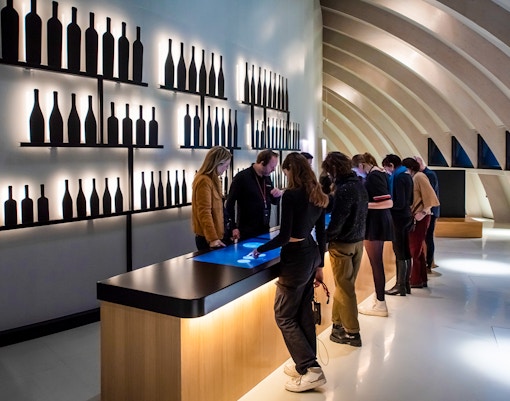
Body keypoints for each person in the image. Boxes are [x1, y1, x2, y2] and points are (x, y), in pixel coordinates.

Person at [250, 152, 329, 392]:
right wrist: (320, 265)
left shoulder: (292, 195)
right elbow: (322, 234)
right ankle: (306, 364)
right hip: (311, 254)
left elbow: (284, 237)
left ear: (291, 171)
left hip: (295, 259)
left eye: (285, 173)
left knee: (283, 315)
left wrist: (260, 249)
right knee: (303, 312)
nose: (285, 178)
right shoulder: (318, 194)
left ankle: (310, 368)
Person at [322, 152, 368, 346]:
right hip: (358, 243)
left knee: (345, 288)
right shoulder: (359, 185)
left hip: (342, 245)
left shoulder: (344, 189)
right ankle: (337, 325)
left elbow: (338, 220)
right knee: (345, 287)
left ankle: (352, 333)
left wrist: (324, 237)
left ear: (333, 169)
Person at [352, 153, 393, 317]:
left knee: (376, 263)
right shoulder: (379, 173)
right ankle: (379, 299)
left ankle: (381, 303)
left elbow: (387, 202)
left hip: (376, 224)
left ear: (361, 166)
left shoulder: (374, 176)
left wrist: (363, 205)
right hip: (377, 222)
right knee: (376, 263)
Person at [225, 149, 283, 240]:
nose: (273, 170)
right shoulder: (242, 177)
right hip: (246, 230)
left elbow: (274, 201)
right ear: (262, 163)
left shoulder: (267, 178)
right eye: (272, 167)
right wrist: (233, 227)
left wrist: (277, 195)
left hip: (264, 229)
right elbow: (230, 203)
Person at [402, 157, 440, 288]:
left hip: (420, 217)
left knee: (415, 248)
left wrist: (423, 213)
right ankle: (420, 278)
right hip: (417, 216)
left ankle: (416, 279)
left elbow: (431, 197)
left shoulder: (420, 177)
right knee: (417, 248)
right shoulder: (415, 177)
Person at [381, 154, 414, 296]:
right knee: (405, 251)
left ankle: (400, 286)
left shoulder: (399, 177)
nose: (387, 171)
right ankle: (405, 284)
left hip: (398, 218)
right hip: (406, 216)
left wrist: (387, 206)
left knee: (399, 251)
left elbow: (399, 202)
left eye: (386, 167)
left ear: (391, 165)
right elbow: (410, 199)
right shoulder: (407, 175)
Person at [191, 146, 232, 250]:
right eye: (226, 165)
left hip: (218, 236)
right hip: (210, 239)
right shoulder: (204, 181)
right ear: (218, 163)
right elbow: (204, 212)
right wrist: (213, 239)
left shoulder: (214, 180)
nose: (226, 168)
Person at [415, 156, 440, 272]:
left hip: (430, 211)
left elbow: (430, 194)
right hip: (428, 211)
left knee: (428, 237)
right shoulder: (424, 174)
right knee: (426, 237)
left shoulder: (428, 175)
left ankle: (429, 263)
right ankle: (429, 262)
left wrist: (424, 211)